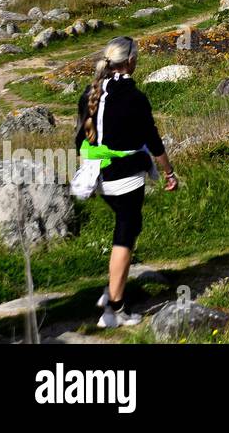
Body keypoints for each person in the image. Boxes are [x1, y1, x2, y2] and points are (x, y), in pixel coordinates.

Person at [77, 36, 178, 329]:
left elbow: (79, 138)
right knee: (125, 234)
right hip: (126, 176)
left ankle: (112, 291)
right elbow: (153, 140)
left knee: (128, 227)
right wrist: (169, 173)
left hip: (97, 173)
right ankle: (115, 309)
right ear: (131, 61)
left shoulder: (90, 93)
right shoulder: (135, 98)